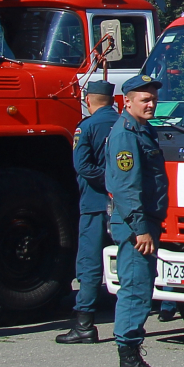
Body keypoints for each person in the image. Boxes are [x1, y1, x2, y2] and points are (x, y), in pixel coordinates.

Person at [105, 76, 172, 367]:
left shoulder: (144, 130)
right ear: (126, 101)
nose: (151, 103)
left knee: (142, 287)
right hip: (136, 226)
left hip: (145, 222)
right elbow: (125, 186)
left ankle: (133, 359)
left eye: (153, 98)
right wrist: (140, 228)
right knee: (135, 291)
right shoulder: (125, 135)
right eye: (144, 99)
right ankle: (129, 364)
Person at [57, 79, 118, 344]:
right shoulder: (125, 124)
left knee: (90, 263)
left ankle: (84, 324)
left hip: (94, 205)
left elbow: (81, 166)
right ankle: (162, 308)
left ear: (89, 100)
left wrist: (107, 181)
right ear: (113, 101)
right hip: (124, 205)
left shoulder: (87, 127)